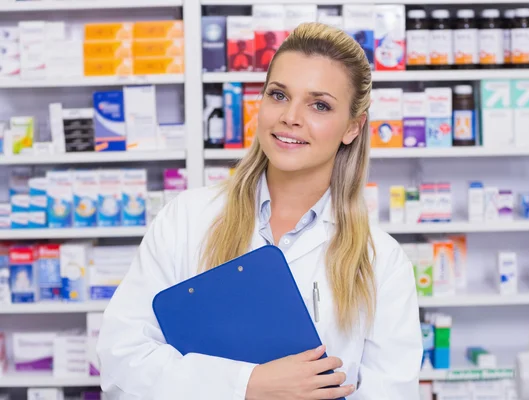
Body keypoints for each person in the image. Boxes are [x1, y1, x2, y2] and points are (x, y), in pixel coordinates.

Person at [97, 22, 422, 400]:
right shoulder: (186, 219)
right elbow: (122, 362)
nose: (291, 117)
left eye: (320, 105)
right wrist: (247, 385)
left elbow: (391, 393)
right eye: (279, 95)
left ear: (353, 127)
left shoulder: (380, 261)